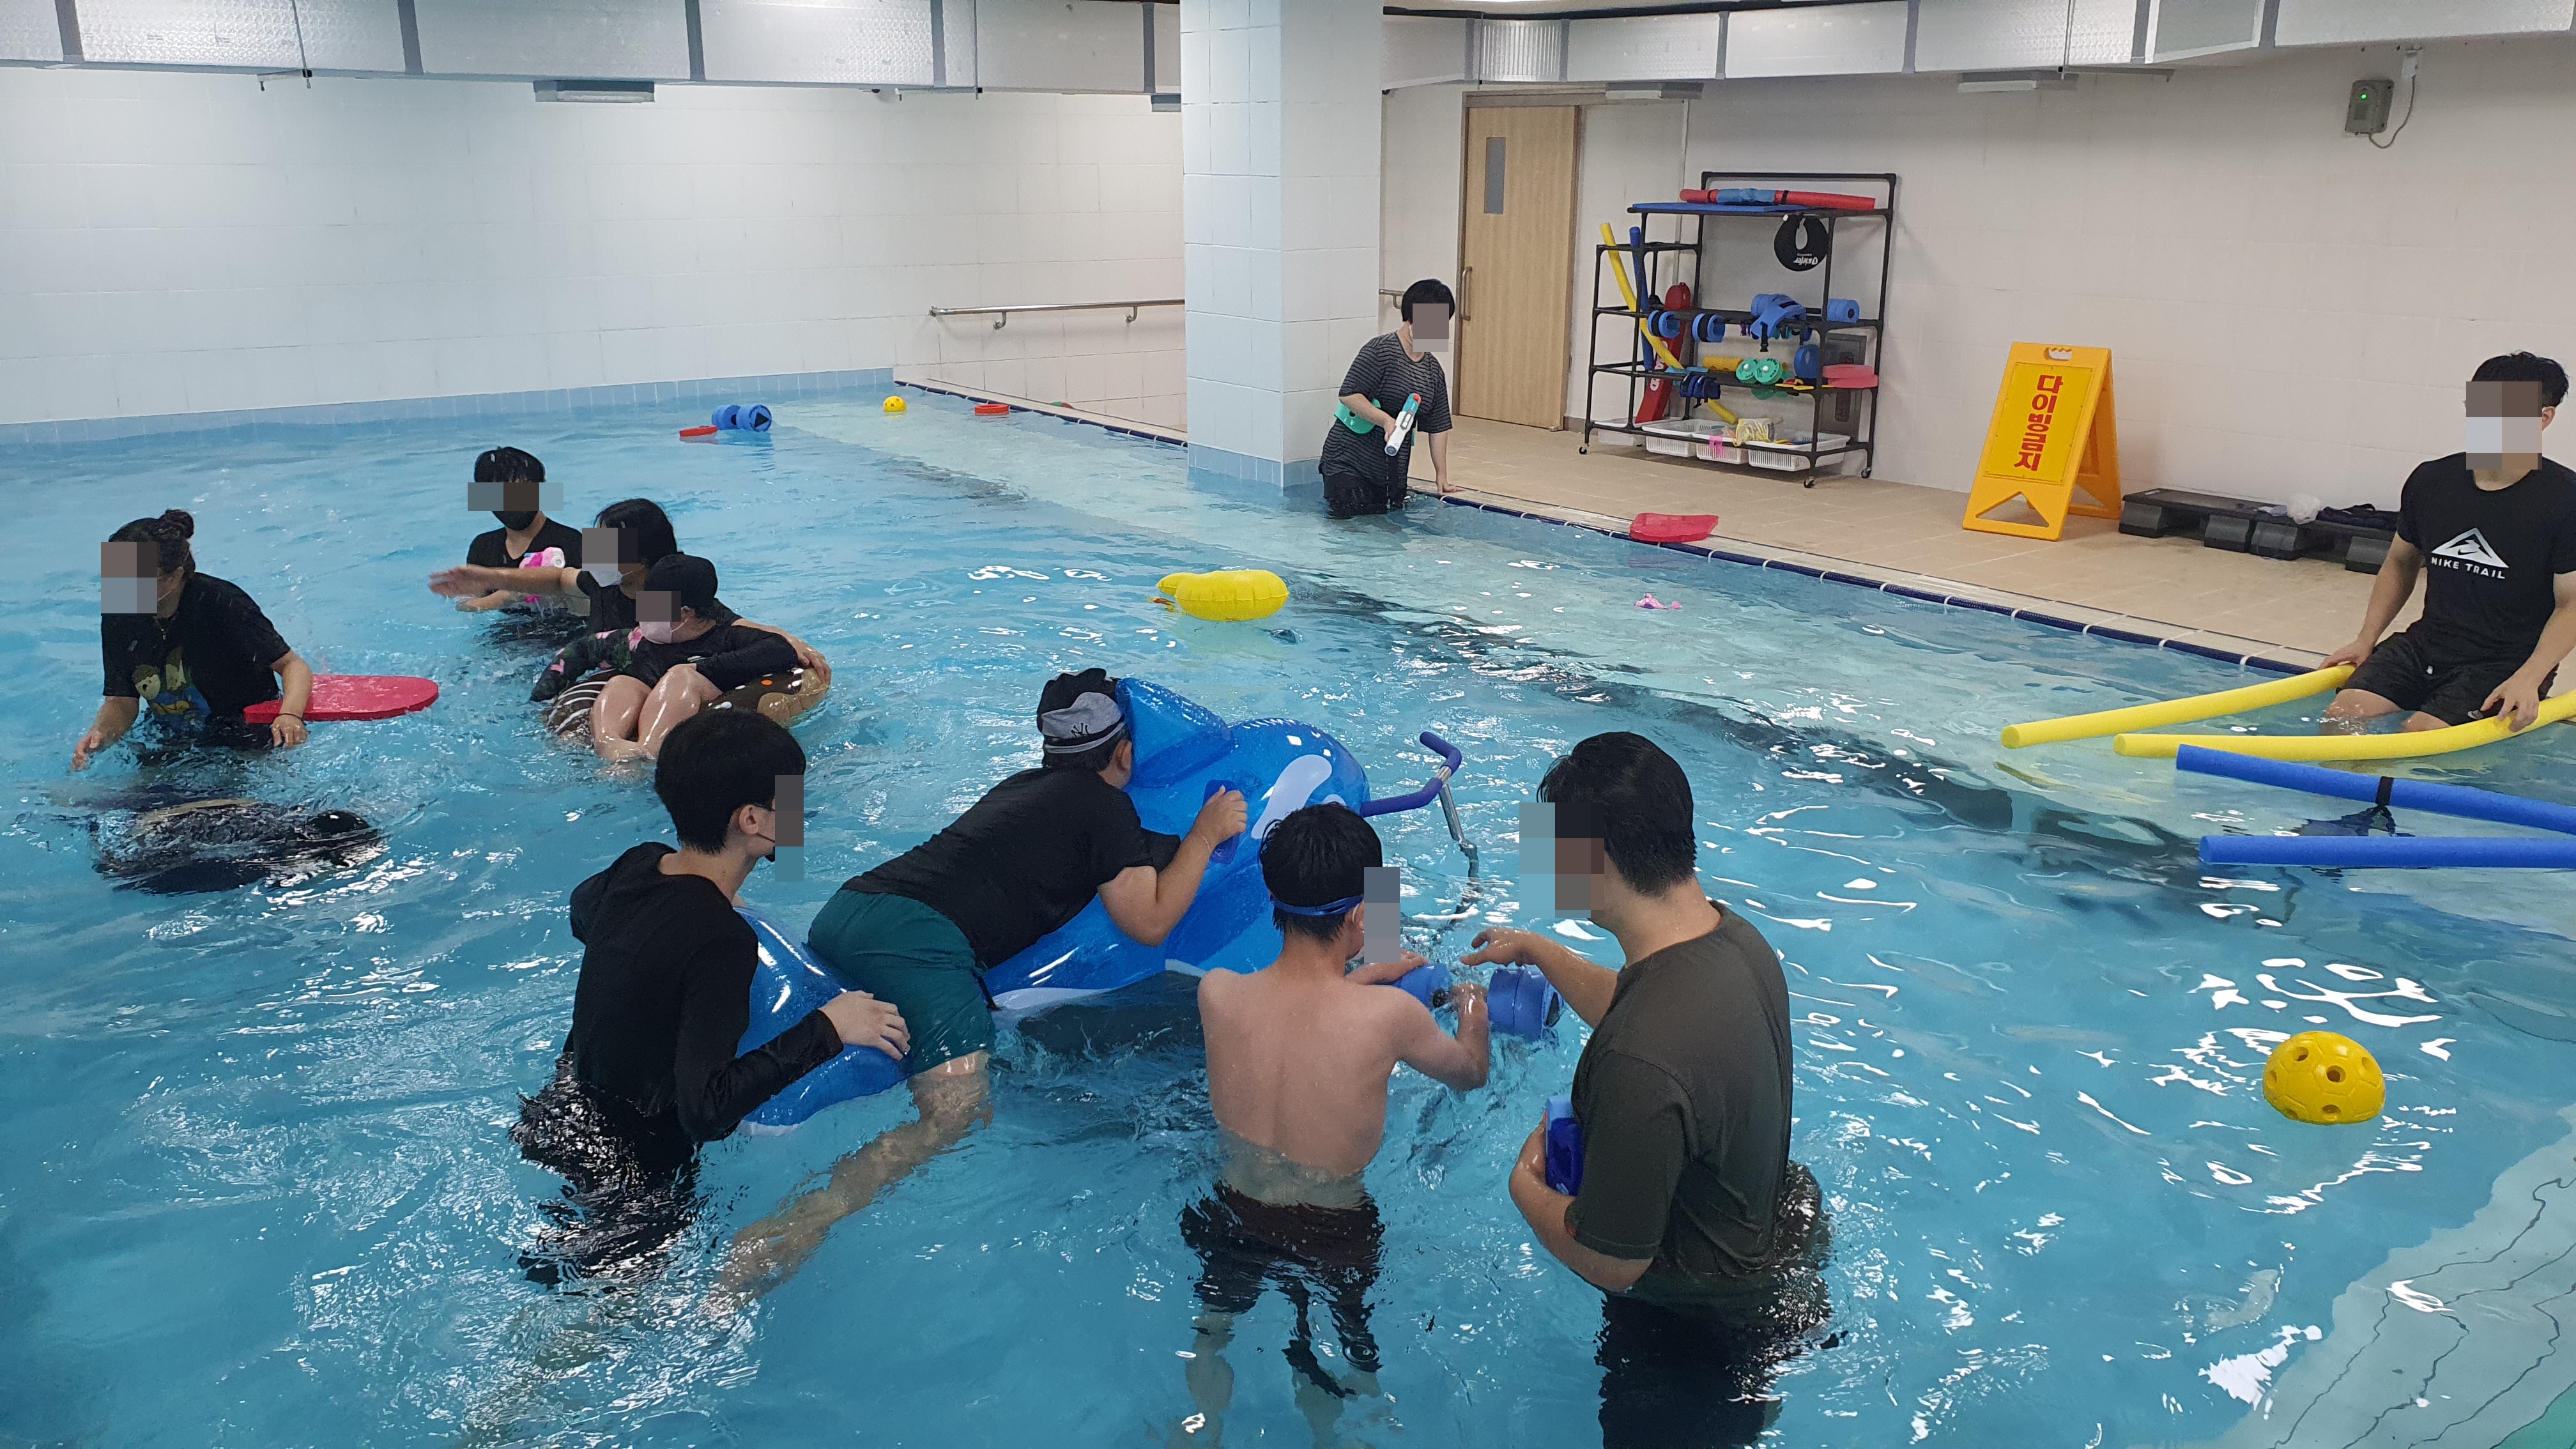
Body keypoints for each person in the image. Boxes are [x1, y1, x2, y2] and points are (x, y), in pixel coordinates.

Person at [713, 668, 1247, 1300]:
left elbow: (1128, 854)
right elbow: (1151, 922)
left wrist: (1185, 844)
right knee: (958, 1112)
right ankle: (789, 1232)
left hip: (853, 910)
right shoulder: (1104, 807)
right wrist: (1208, 835)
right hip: (920, 941)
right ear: (1125, 753)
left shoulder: (1030, 790)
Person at [1465, 732, 1828, 1448]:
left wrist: (1525, 1190)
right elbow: (1638, 1004)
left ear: (1593, 860)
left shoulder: (1641, 1064)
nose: (1544, 864)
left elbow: (1615, 1260)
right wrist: (1540, 948)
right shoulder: (1734, 941)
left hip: (1692, 1334)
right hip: (1769, 1245)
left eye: (1554, 847)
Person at [512, 710, 907, 1285]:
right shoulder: (722, 942)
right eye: (792, 801)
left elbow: (584, 911)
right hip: (637, 1173)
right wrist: (830, 1026)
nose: (801, 814)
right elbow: (707, 1110)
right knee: (594, 1325)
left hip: (564, 1110)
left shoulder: (639, 865)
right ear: (752, 819)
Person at [1178, 803, 1491, 1441]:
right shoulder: (1388, 1020)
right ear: (1359, 916)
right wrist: (1473, 1003)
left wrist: (1365, 975)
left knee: (1211, 1334)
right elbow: (1470, 1072)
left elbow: (1304, 1006)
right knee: (1343, 1351)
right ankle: (1338, 1425)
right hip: (1333, 1229)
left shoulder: (1217, 993)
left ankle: (1203, 1420)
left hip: (1233, 1210)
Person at [2324, 352, 2576, 733]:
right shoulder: (2431, 481)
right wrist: (2366, 638)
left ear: (2543, 418)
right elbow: (2400, 563)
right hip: (2426, 644)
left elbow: (2572, 604)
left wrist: (2530, 677)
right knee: (2342, 718)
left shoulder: (2565, 500)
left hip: (2506, 660)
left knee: (2419, 737)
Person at [76, 509, 314, 769]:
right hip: (172, 737)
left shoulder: (221, 602)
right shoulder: (119, 615)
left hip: (241, 733)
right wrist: (99, 735)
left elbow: (292, 666)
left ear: (175, 577)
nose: (122, 589)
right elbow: (122, 702)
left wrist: (290, 715)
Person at [587, 555, 801, 763]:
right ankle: (608, 742)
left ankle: (647, 753)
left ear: (685, 613)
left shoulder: (726, 636)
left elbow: (780, 649)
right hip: (654, 694)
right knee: (622, 682)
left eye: (653, 605)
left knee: (681, 677)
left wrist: (700, 668)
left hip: (705, 695)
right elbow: (583, 650)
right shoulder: (650, 642)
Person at [1319, 279, 1457, 519]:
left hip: (1389, 472)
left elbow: (1439, 426)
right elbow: (1349, 395)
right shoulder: (1380, 351)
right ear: (1410, 319)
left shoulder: (1433, 371)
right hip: (1347, 462)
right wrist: (1385, 421)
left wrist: (1441, 476)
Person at [94, 797, 379, 894]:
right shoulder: (280, 853)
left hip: (162, 818)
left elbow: (237, 805)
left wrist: (158, 815)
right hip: (156, 835)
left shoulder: (284, 812)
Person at [457, 447, 585, 615]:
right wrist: (513, 594)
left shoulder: (576, 542)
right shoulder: (483, 546)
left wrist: (557, 588)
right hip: (504, 635)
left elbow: (604, 603)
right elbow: (466, 605)